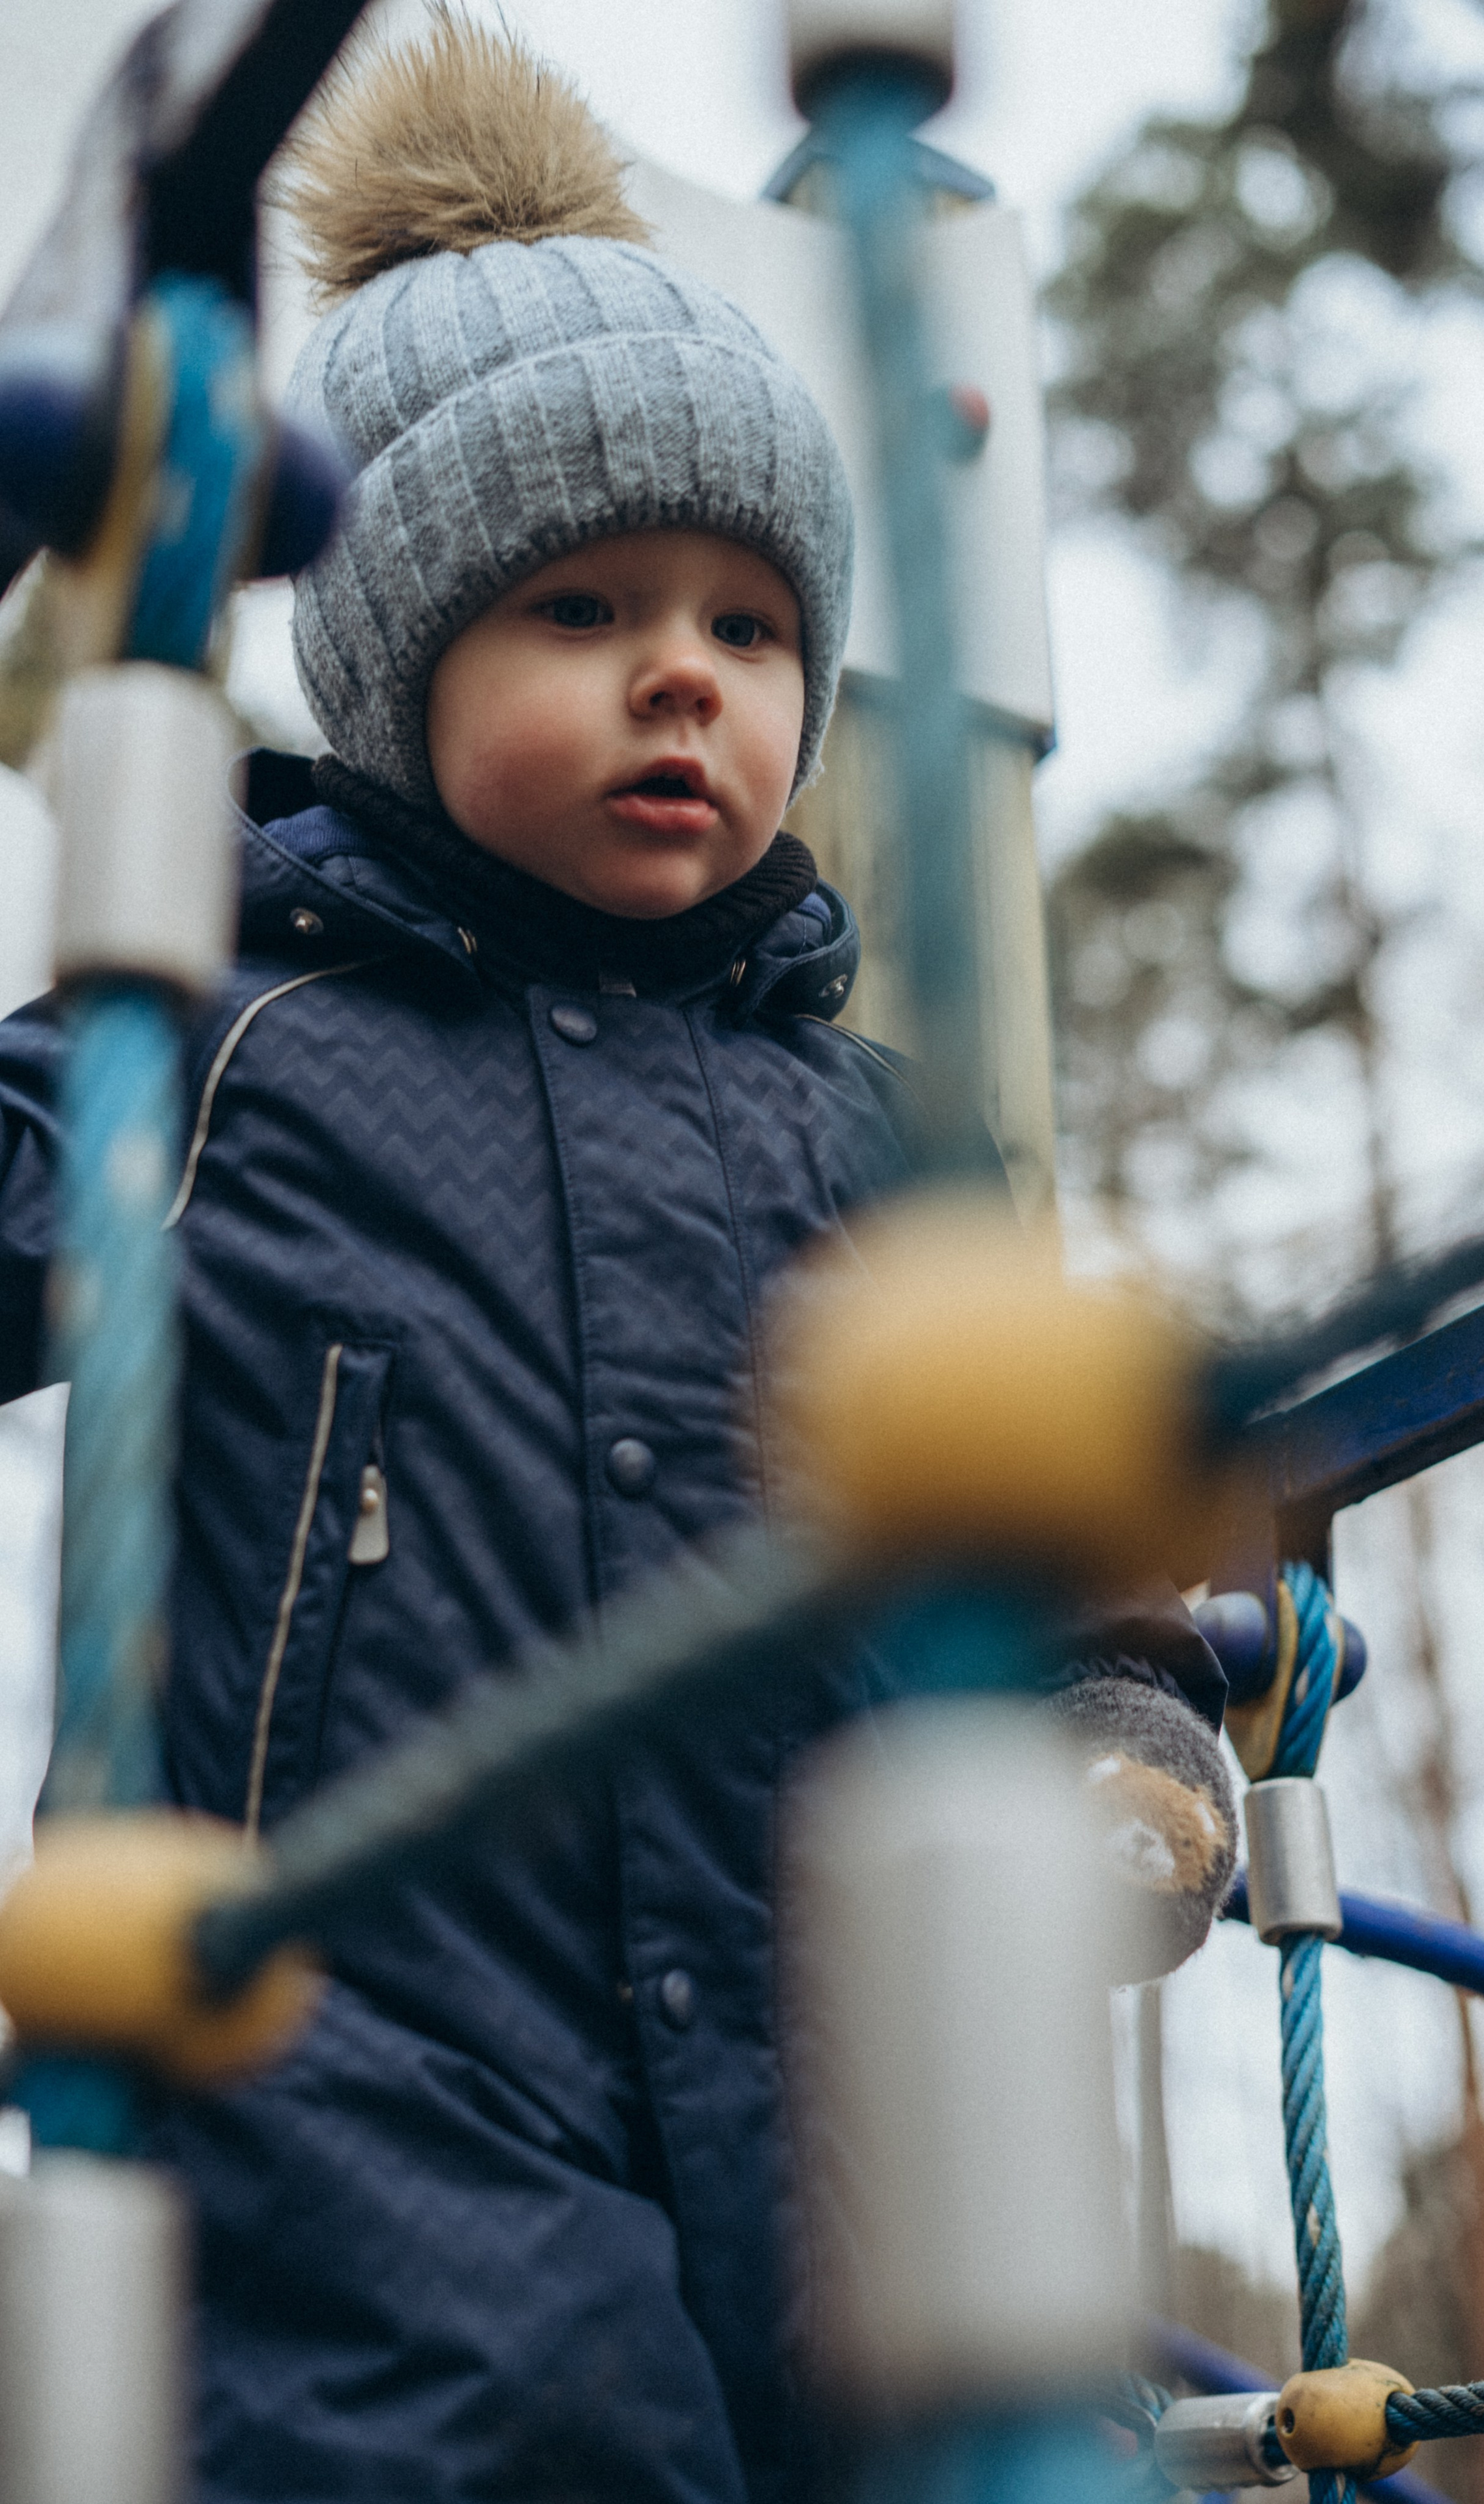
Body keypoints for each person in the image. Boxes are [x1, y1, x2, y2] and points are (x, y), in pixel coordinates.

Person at [0, 17, 1236, 2500]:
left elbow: (1037, 1508)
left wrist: (1131, 1721)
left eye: (750, 628)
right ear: (394, 665)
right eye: (579, 607)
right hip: (377, 2168)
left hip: (852, 2155)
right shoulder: (208, 1045)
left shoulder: (887, 1134)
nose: (684, 673)